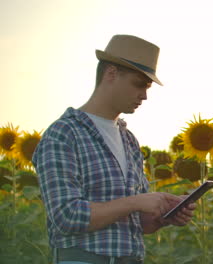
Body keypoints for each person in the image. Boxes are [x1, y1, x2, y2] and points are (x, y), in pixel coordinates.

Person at [32, 34, 195, 264]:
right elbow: (66, 216)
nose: (145, 96)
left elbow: (137, 225)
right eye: (139, 84)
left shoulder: (129, 140)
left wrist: (164, 216)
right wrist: (136, 201)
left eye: (148, 87)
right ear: (111, 73)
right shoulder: (64, 134)